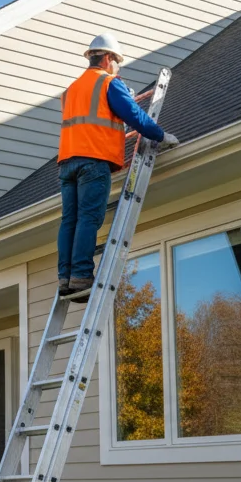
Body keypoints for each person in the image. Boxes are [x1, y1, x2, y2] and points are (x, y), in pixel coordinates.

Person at [57, 32, 178, 301]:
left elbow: (92, 115)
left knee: (70, 222)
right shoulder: (108, 82)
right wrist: (160, 136)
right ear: (108, 58)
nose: (117, 68)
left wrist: (121, 95)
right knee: (88, 219)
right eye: (118, 62)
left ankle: (65, 279)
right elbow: (133, 115)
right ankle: (81, 277)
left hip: (67, 164)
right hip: (93, 161)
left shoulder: (71, 90)